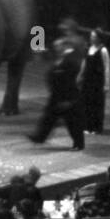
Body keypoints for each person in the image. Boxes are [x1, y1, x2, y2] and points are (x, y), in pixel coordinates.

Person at [28, 20, 85, 150]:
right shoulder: (61, 58)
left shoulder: (70, 60)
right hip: (57, 94)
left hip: (66, 96)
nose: (56, 47)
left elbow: (70, 80)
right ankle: (40, 136)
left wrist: (69, 98)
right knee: (48, 117)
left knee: (72, 122)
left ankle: (78, 144)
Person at [80, 28, 110, 134]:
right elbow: (84, 63)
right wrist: (80, 75)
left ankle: (96, 127)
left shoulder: (103, 50)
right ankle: (86, 126)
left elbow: (107, 67)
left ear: (99, 38)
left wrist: (106, 85)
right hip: (87, 81)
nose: (91, 38)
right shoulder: (89, 48)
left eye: (94, 36)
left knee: (96, 105)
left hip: (97, 82)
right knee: (86, 103)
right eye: (91, 36)